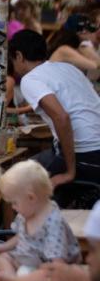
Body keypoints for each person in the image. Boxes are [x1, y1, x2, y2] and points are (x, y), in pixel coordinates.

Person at [12, 29, 100, 186]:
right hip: (92, 147)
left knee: (22, 181)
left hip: (86, 154)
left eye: (13, 60)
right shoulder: (68, 68)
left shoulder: (30, 79)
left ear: (19, 56)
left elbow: (62, 117)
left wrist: (69, 172)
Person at [0, 160, 81, 281]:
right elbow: (21, 236)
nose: (13, 208)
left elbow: (58, 263)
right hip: (27, 260)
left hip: (46, 266)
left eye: (14, 203)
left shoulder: (52, 222)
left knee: (47, 275)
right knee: (1, 258)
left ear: (31, 198)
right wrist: (3, 247)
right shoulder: (26, 213)